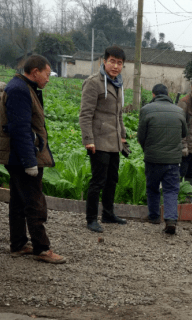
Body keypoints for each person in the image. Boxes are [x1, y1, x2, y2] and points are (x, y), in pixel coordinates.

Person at [0, 54, 66, 264]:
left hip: (16, 156)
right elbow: (20, 130)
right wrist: (30, 162)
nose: (48, 78)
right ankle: (42, 248)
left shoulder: (23, 86)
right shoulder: (19, 90)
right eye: (46, 74)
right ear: (35, 72)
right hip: (21, 158)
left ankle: (18, 244)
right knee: (34, 201)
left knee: (18, 200)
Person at [79, 46, 128, 233]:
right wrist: (88, 139)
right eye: (112, 61)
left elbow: (119, 115)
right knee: (98, 181)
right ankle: (91, 218)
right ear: (104, 61)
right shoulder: (94, 83)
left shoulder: (118, 83)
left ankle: (108, 214)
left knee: (112, 180)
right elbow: (85, 115)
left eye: (119, 63)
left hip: (114, 142)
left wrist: (123, 138)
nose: (115, 66)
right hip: (98, 141)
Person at [137, 84, 187, 234]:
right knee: (171, 190)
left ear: (153, 95)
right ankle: (171, 220)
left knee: (152, 187)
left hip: (153, 158)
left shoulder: (146, 110)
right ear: (168, 95)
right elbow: (184, 132)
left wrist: (147, 149)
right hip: (173, 159)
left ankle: (154, 216)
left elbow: (141, 136)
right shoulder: (179, 111)